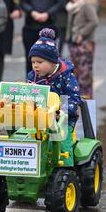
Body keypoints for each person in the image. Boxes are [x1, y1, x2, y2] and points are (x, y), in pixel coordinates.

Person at [27, 28, 82, 166]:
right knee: (28, 141)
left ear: (52, 62)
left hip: (61, 120)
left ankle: (68, 174)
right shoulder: (32, 76)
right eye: (33, 62)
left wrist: (62, 112)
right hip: (38, 118)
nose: (35, 66)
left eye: (40, 62)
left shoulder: (66, 77)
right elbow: (27, 94)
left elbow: (74, 98)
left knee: (62, 147)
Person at [20, 0, 65, 75]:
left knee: (49, 59)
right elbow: (22, 1)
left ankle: (48, 85)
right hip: (30, 26)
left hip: (50, 27)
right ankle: (31, 84)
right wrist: (32, 12)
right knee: (30, 58)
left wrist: (47, 13)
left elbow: (60, 1)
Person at [66, 0, 99, 99]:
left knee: (85, 72)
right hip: (73, 42)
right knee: (75, 72)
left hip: (85, 44)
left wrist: (82, 34)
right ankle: (77, 96)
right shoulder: (71, 6)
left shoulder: (86, 5)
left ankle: (87, 98)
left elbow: (94, 21)